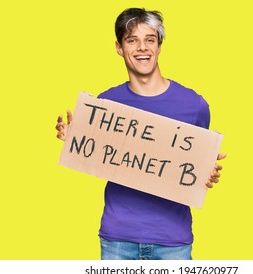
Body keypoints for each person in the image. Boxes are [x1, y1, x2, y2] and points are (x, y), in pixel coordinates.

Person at [56, 8, 226, 260]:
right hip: (118, 240)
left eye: (150, 40)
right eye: (132, 40)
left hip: (173, 241)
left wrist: (206, 174)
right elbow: (98, 155)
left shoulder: (194, 105)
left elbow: (193, 166)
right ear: (119, 48)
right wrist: (76, 139)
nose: (142, 48)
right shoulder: (106, 105)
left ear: (159, 46)